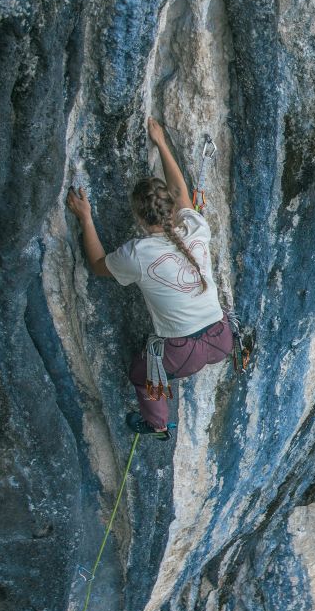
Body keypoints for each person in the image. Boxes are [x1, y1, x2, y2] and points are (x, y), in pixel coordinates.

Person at [65, 118, 232, 439]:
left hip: (182, 353)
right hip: (221, 338)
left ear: (139, 217)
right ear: (170, 206)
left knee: (141, 375)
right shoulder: (196, 226)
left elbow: (98, 265)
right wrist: (161, 142)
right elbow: (181, 192)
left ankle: (157, 423)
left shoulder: (138, 254)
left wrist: (86, 218)